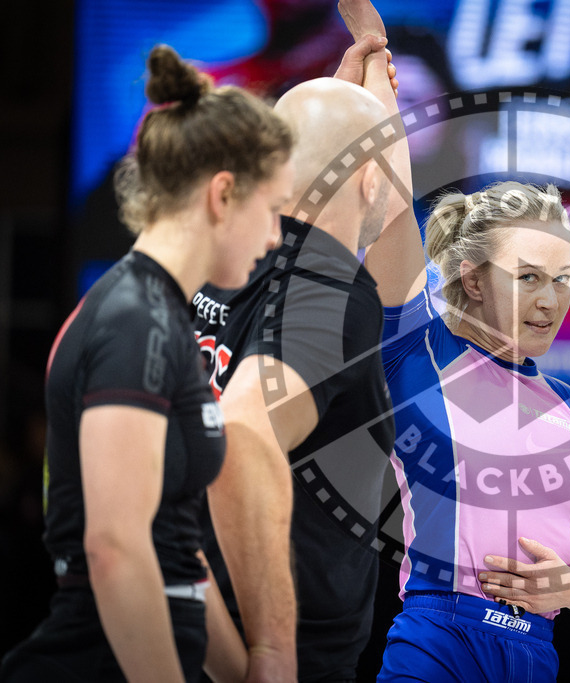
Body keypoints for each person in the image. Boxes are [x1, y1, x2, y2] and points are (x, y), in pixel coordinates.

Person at [333, 4, 570, 681]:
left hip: (533, 654)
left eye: (561, 280)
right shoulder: (415, 351)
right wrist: (374, 63)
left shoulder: (568, 408)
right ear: (474, 278)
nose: (551, 299)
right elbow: (395, 201)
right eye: (528, 277)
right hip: (438, 637)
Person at [0, 44, 295, 682]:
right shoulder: (136, 321)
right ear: (223, 195)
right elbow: (115, 550)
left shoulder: (161, 315)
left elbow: (172, 550)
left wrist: (248, 673)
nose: (275, 237)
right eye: (272, 209)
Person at [190, 36, 398, 683]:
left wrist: (341, 118)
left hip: (175, 628)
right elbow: (243, 430)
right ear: (368, 179)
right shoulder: (333, 287)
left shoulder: (218, 258)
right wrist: (273, 652)